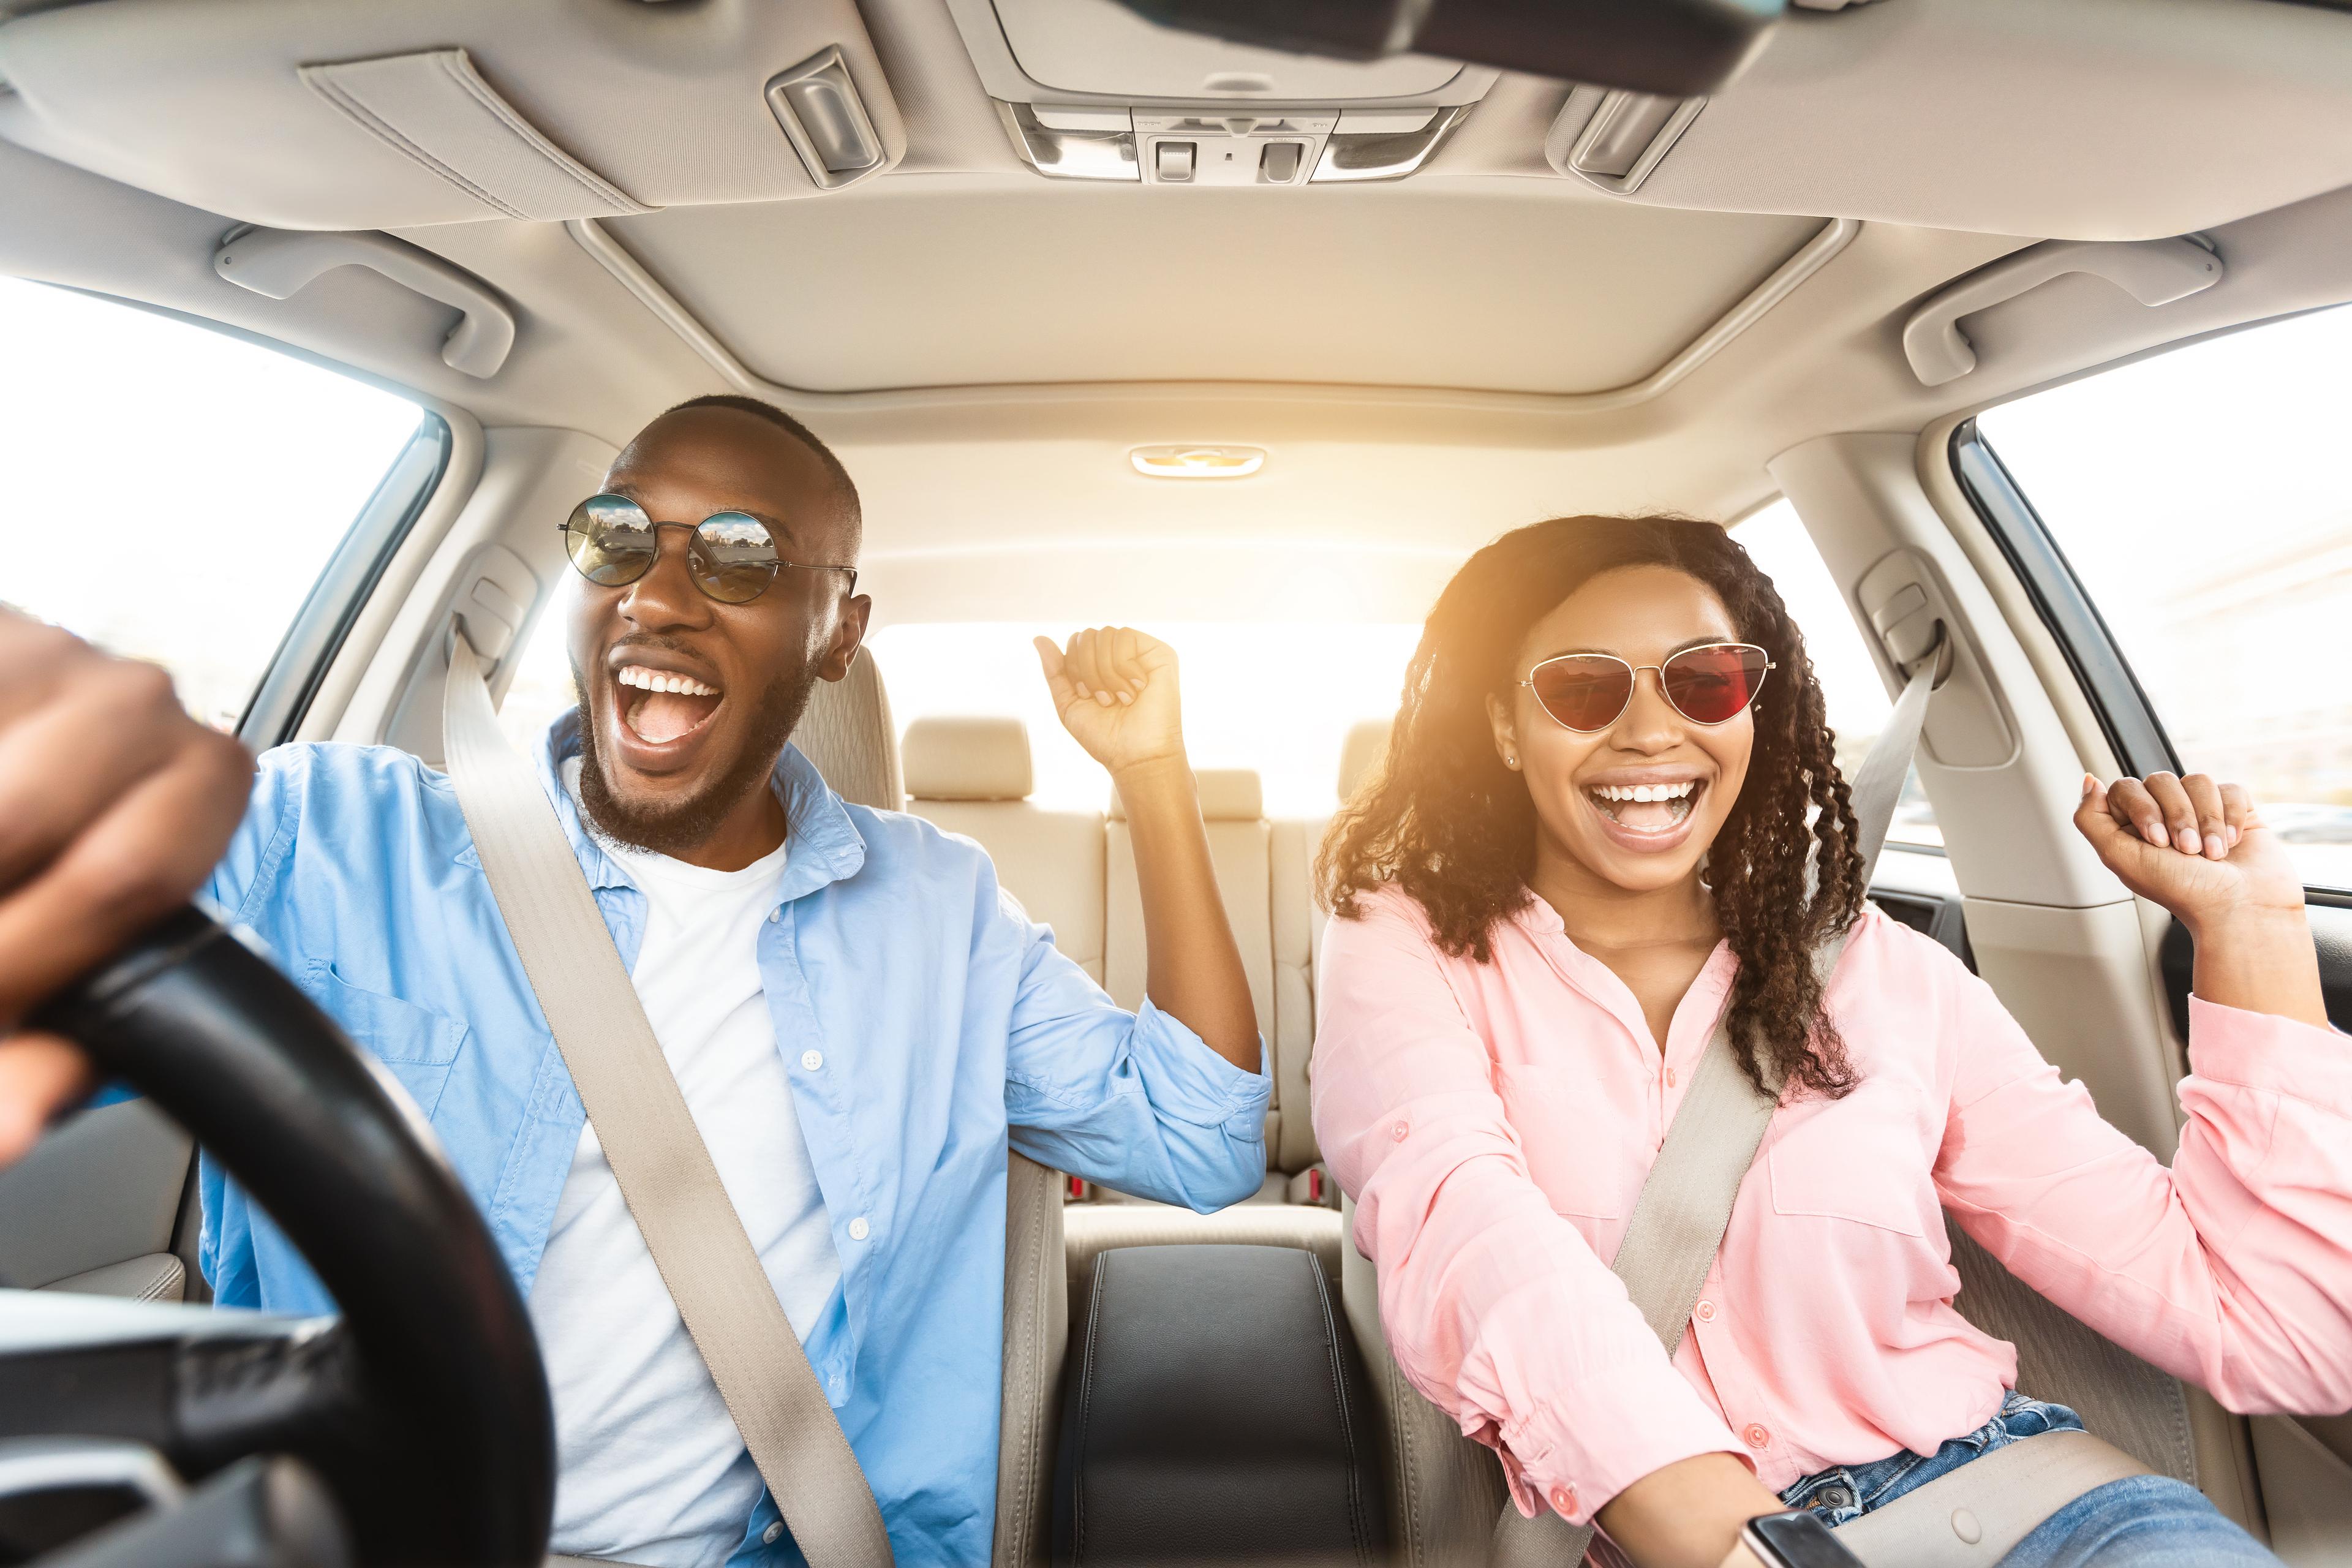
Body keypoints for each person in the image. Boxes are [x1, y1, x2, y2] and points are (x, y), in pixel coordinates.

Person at [0, 393, 1269, 1567]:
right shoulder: (332, 834)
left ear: (840, 632)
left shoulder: (940, 912)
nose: (658, 596)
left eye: (739, 556)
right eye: (619, 538)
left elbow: (1202, 1132)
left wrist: (1151, 776)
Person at [1311, 514, 2352, 1568]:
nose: (1649, 732)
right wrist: (1731, 1540)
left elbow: (2278, 1332)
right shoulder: (1408, 946)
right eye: (1584, 689)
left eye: (1702, 683)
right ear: (1504, 728)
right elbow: (1464, 1223)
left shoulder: (1886, 976)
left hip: (2022, 1510)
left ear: (1749, 708)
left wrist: (2252, 929)